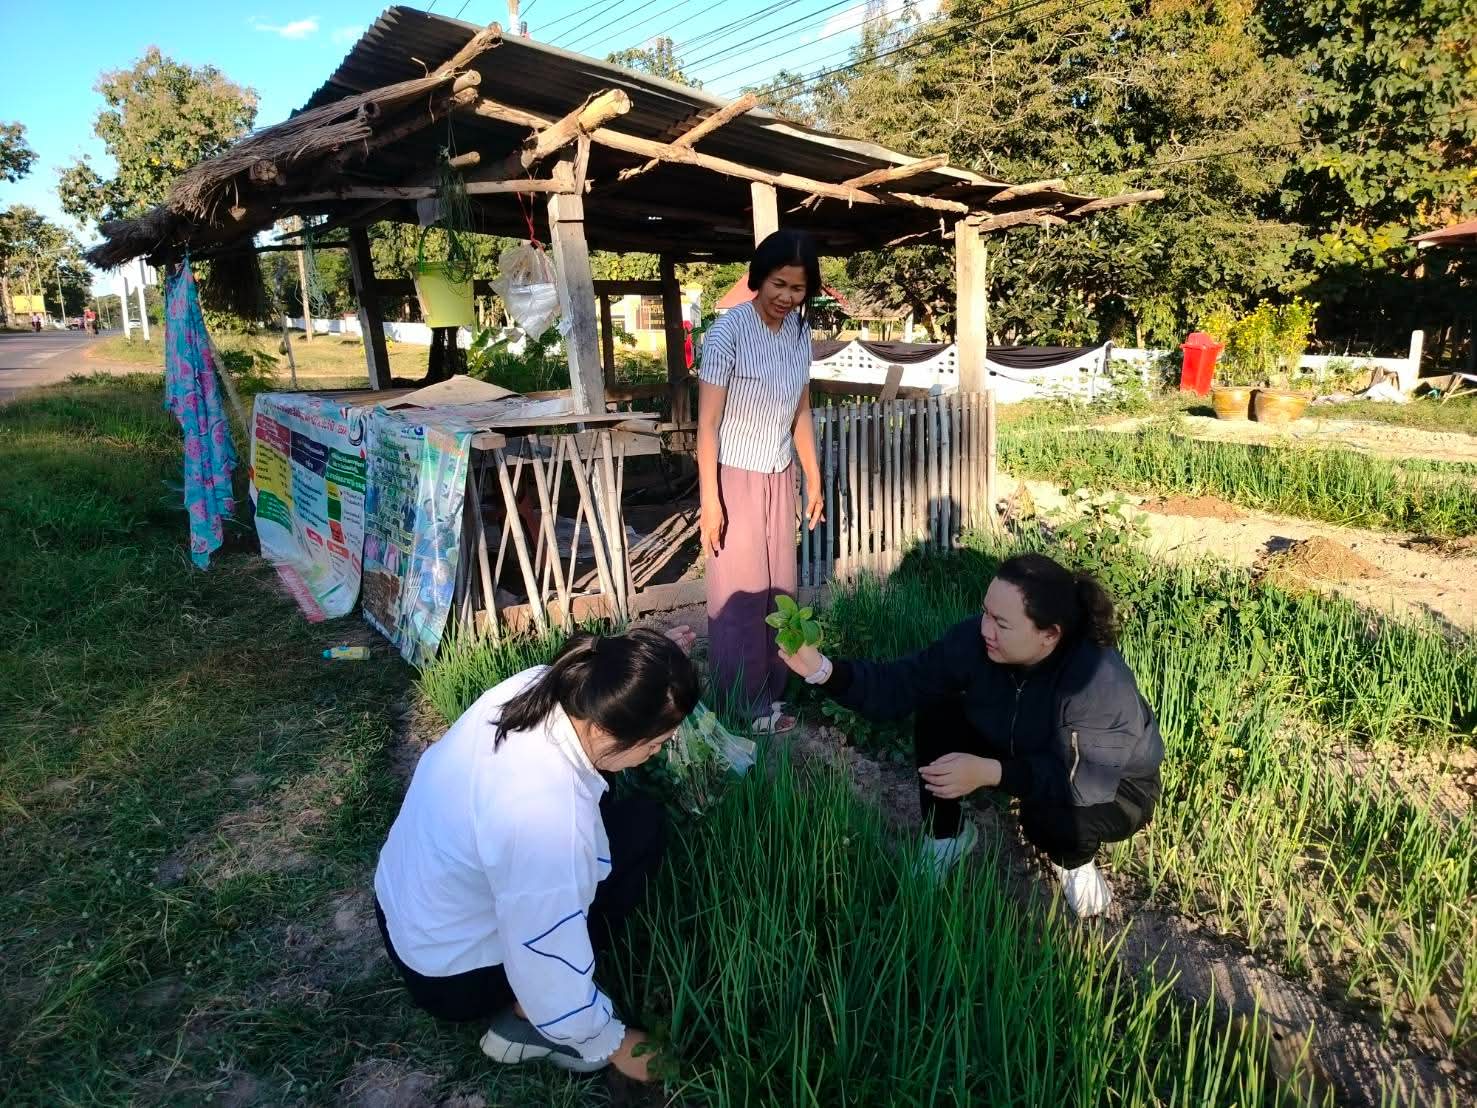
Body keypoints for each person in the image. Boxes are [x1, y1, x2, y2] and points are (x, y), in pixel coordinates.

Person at [373, 626, 700, 1081]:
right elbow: (545, 955)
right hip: (448, 975)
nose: (658, 752)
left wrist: (648, 678)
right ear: (605, 726)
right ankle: (526, 1021)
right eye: (655, 743)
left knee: (628, 815)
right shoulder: (549, 821)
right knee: (643, 830)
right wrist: (613, 1042)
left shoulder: (547, 683)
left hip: (404, 912)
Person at [779, 553, 1163, 917]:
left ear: (1049, 634)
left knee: (1049, 818)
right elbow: (901, 684)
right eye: (985, 613)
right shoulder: (974, 643)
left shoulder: (1095, 679)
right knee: (938, 714)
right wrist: (824, 671)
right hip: (1025, 746)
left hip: (1113, 786)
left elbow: (1080, 780)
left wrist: (991, 772)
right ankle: (946, 837)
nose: (985, 630)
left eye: (1002, 623)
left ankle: (1074, 861)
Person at [697, 229, 824, 734]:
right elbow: (708, 424)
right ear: (759, 278)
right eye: (779, 284)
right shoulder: (725, 334)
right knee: (743, 594)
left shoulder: (799, 334)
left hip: (779, 473)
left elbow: (801, 410)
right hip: (735, 476)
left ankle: (776, 690)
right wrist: (711, 500)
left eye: (798, 288)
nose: (787, 297)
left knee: (781, 591)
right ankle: (740, 703)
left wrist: (813, 476)